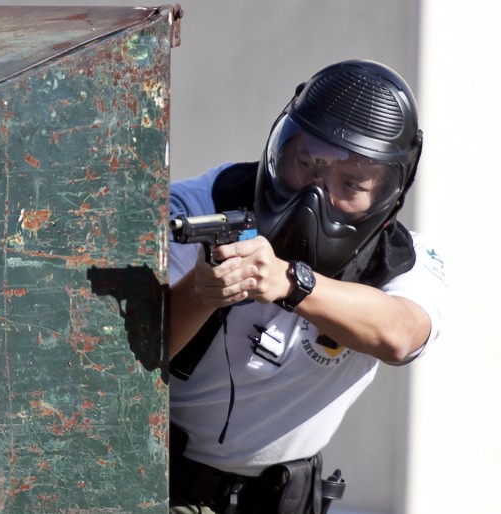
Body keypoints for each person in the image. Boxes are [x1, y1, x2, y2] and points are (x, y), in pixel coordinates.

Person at [166, 60, 445, 514]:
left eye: (351, 183)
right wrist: (201, 293)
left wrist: (291, 284)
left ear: (388, 196)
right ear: (282, 150)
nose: (317, 194)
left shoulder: (403, 260)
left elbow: (400, 335)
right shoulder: (200, 207)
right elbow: (124, 357)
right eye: (307, 165)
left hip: (282, 500)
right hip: (162, 484)